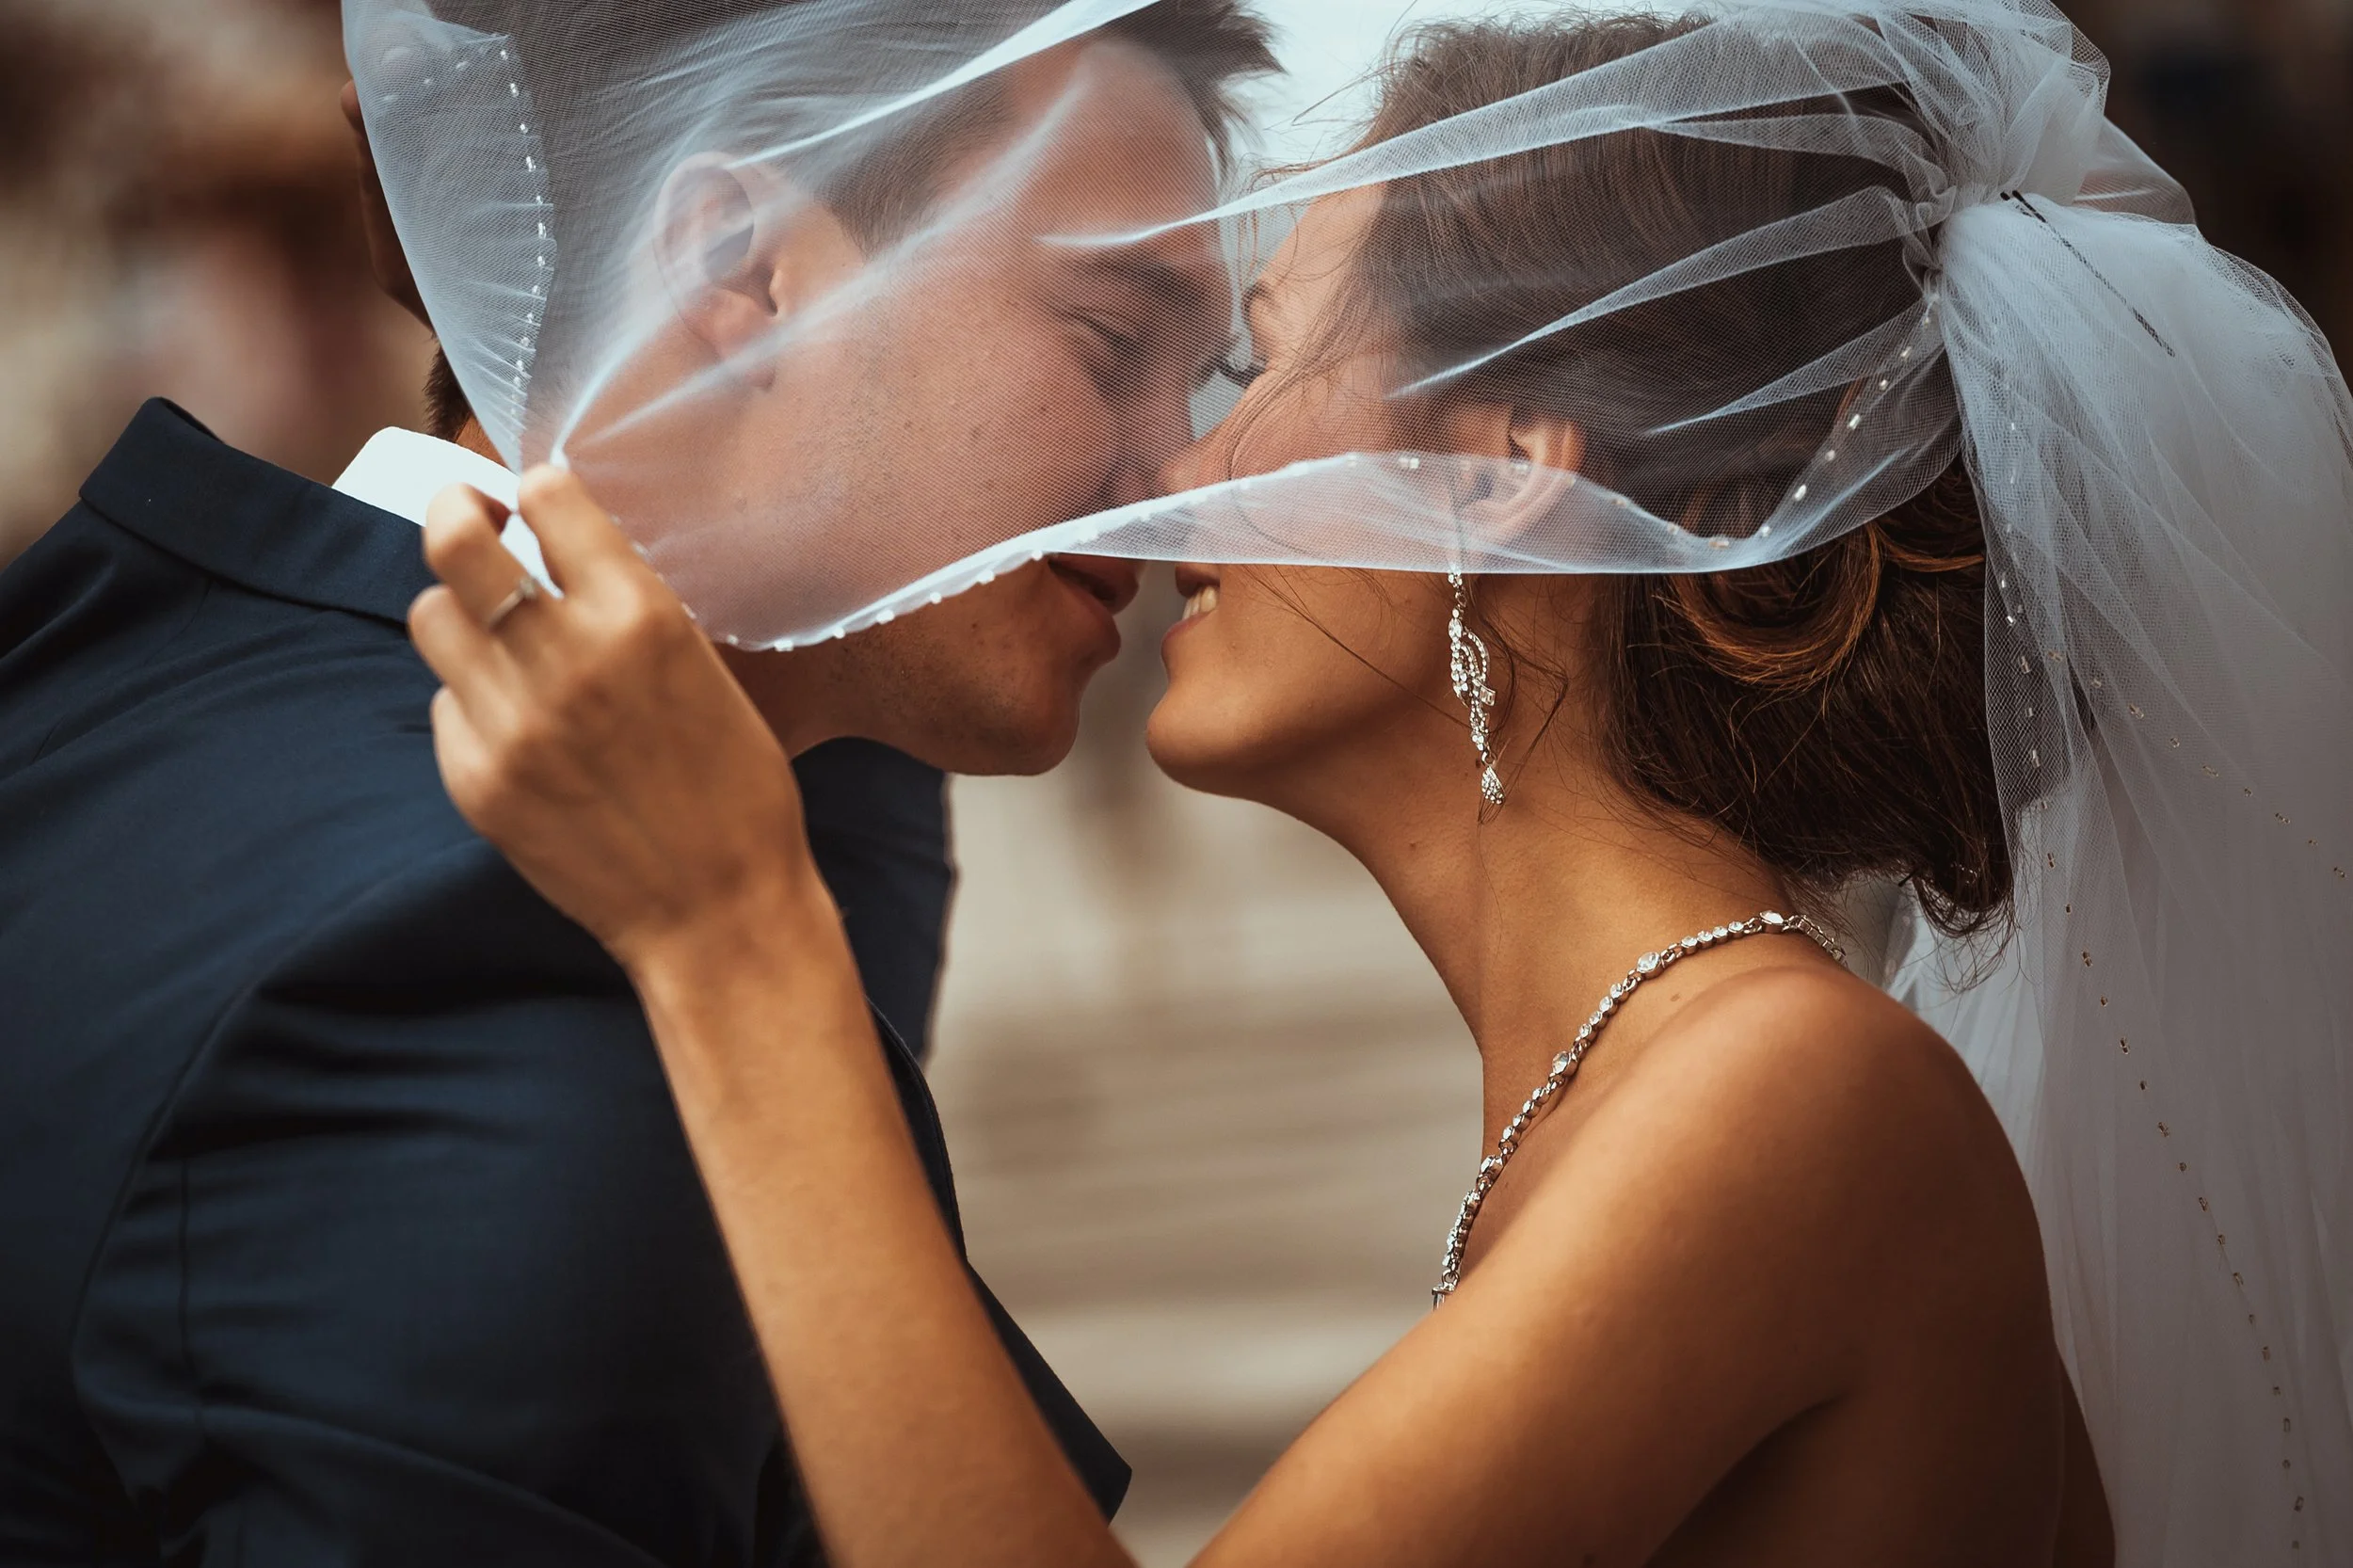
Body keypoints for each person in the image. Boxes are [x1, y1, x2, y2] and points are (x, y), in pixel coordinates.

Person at [409, 4, 2353, 1565]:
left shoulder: (1785, 1094)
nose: (1172, 475)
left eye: (1250, 363)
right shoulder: (1659, 1085)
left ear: (1498, 462)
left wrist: (727, 929)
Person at [0, 4, 1276, 1563]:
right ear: (738, 267)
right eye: (1106, 340)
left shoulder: (139, 665)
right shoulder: (498, 963)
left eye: (1199, 374)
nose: (1188, 476)